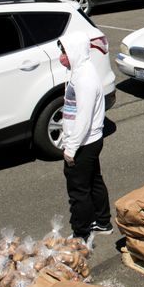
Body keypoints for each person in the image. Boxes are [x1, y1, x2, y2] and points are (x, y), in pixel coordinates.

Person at [58, 32, 112, 240]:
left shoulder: (85, 78)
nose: (62, 55)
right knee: (93, 181)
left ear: (75, 51)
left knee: (78, 190)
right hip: (89, 141)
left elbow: (83, 117)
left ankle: (81, 233)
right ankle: (102, 221)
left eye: (64, 51)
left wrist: (71, 148)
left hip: (84, 143)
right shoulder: (80, 70)